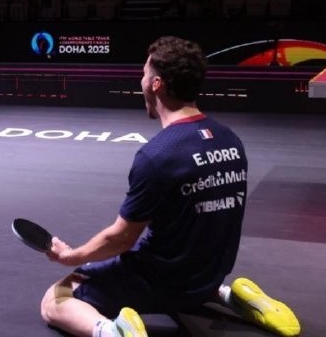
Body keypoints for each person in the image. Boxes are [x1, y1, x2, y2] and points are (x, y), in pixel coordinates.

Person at [39, 36, 301, 337]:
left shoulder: (158, 155)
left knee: (56, 298)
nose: (141, 81)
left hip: (163, 283)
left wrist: (71, 256)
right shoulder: (231, 140)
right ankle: (230, 296)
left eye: (144, 74)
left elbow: (120, 239)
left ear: (156, 84)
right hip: (207, 277)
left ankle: (113, 332)